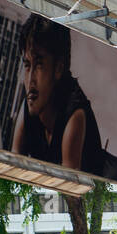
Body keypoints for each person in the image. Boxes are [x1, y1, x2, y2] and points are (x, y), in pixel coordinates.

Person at [11, 14, 105, 174]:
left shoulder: (75, 114)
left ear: (59, 68)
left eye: (39, 65)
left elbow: (70, 188)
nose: (30, 79)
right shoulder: (32, 99)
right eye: (27, 65)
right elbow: (13, 163)